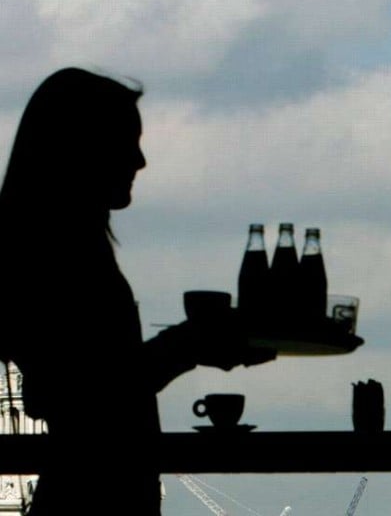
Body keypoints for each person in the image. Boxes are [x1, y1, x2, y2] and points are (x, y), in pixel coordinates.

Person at [0, 68, 274, 515]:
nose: (139, 160)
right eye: (125, 141)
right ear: (82, 148)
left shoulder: (47, 248)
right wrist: (185, 346)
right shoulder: (63, 253)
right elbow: (81, 395)